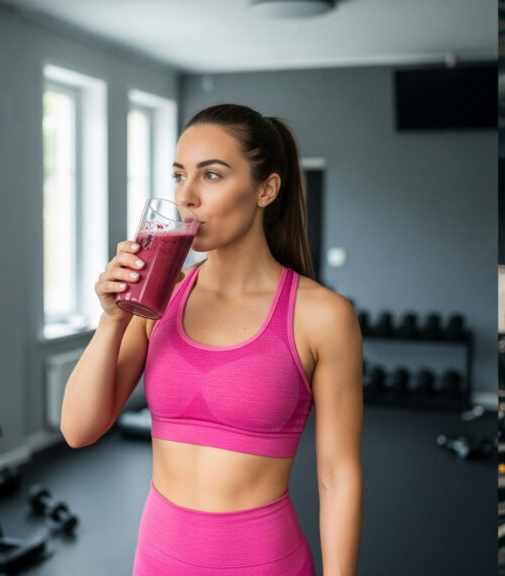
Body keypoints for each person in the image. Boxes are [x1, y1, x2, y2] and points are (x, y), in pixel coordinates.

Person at [61, 104, 362, 576]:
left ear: (266, 189)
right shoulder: (161, 298)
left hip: (264, 563)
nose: (188, 196)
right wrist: (112, 320)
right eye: (179, 176)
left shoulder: (322, 315)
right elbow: (78, 430)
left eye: (212, 175)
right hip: (156, 560)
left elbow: (338, 476)